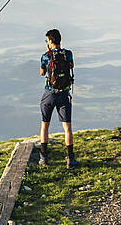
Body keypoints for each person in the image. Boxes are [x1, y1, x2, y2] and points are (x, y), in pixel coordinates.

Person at [39, 28, 80, 169]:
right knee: (67, 128)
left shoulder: (46, 56)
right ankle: (70, 159)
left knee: (45, 125)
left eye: (47, 41)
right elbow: (71, 66)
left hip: (50, 94)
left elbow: (42, 72)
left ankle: (43, 158)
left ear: (50, 41)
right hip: (64, 94)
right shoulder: (68, 54)